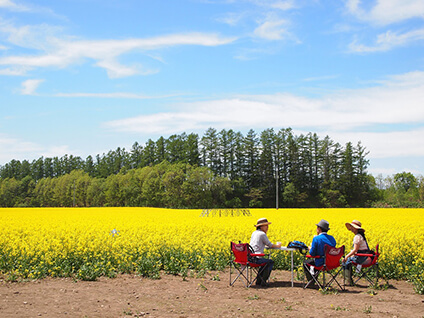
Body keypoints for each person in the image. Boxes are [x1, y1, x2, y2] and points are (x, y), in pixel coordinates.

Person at [303, 219, 336, 286]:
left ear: (319, 228)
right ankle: (314, 279)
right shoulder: (332, 238)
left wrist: (310, 247)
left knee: (306, 263)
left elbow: (312, 254)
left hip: (321, 263)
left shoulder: (317, 238)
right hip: (332, 263)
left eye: (317, 227)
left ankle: (312, 282)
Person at [249, 218, 281, 287]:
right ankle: (263, 281)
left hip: (249, 258)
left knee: (265, 263)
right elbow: (270, 245)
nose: (267, 227)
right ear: (261, 226)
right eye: (266, 226)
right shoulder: (262, 234)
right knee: (269, 262)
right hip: (256, 258)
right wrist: (278, 245)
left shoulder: (254, 233)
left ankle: (259, 280)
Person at [342, 220, 371, 286]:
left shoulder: (357, 237)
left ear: (356, 228)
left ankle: (347, 281)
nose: (351, 229)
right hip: (365, 256)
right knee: (349, 259)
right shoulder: (361, 236)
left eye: (352, 227)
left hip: (362, 258)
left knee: (346, 261)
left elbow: (355, 250)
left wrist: (347, 256)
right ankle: (349, 280)